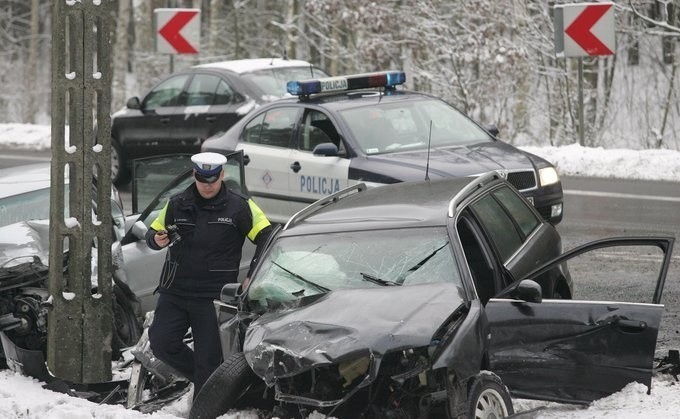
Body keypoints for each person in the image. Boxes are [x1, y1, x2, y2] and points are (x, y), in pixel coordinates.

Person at [144, 151, 272, 397]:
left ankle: (206, 401)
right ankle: (219, 384)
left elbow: (267, 237)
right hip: (175, 290)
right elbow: (153, 233)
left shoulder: (240, 205)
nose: (207, 186)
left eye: (212, 180)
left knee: (208, 360)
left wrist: (252, 274)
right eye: (202, 180)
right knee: (161, 344)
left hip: (213, 295)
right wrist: (156, 240)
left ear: (222, 175)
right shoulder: (177, 202)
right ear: (195, 175)